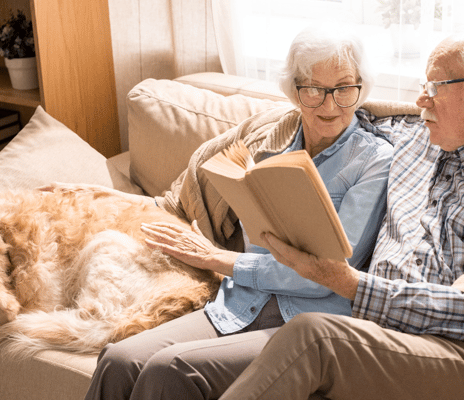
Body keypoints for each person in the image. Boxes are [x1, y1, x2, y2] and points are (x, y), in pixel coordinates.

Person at [218, 32, 464, 400]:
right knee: (178, 372)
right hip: (387, 338)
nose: (421, 98)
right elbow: (342, 114)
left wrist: (350, 283)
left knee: (312, 337)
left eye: (435, 87)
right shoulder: (416, 138)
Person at [84, 25, 398, 400]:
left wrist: (220, 259)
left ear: (362, 88)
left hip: (305, 320)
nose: (329, 106)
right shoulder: (268, 146)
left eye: (344, 88)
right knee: (119, 359)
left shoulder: (372, 160)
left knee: (168, 370)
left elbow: (326, 274)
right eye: (313, 89)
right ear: (295, 91)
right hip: (237, 303)